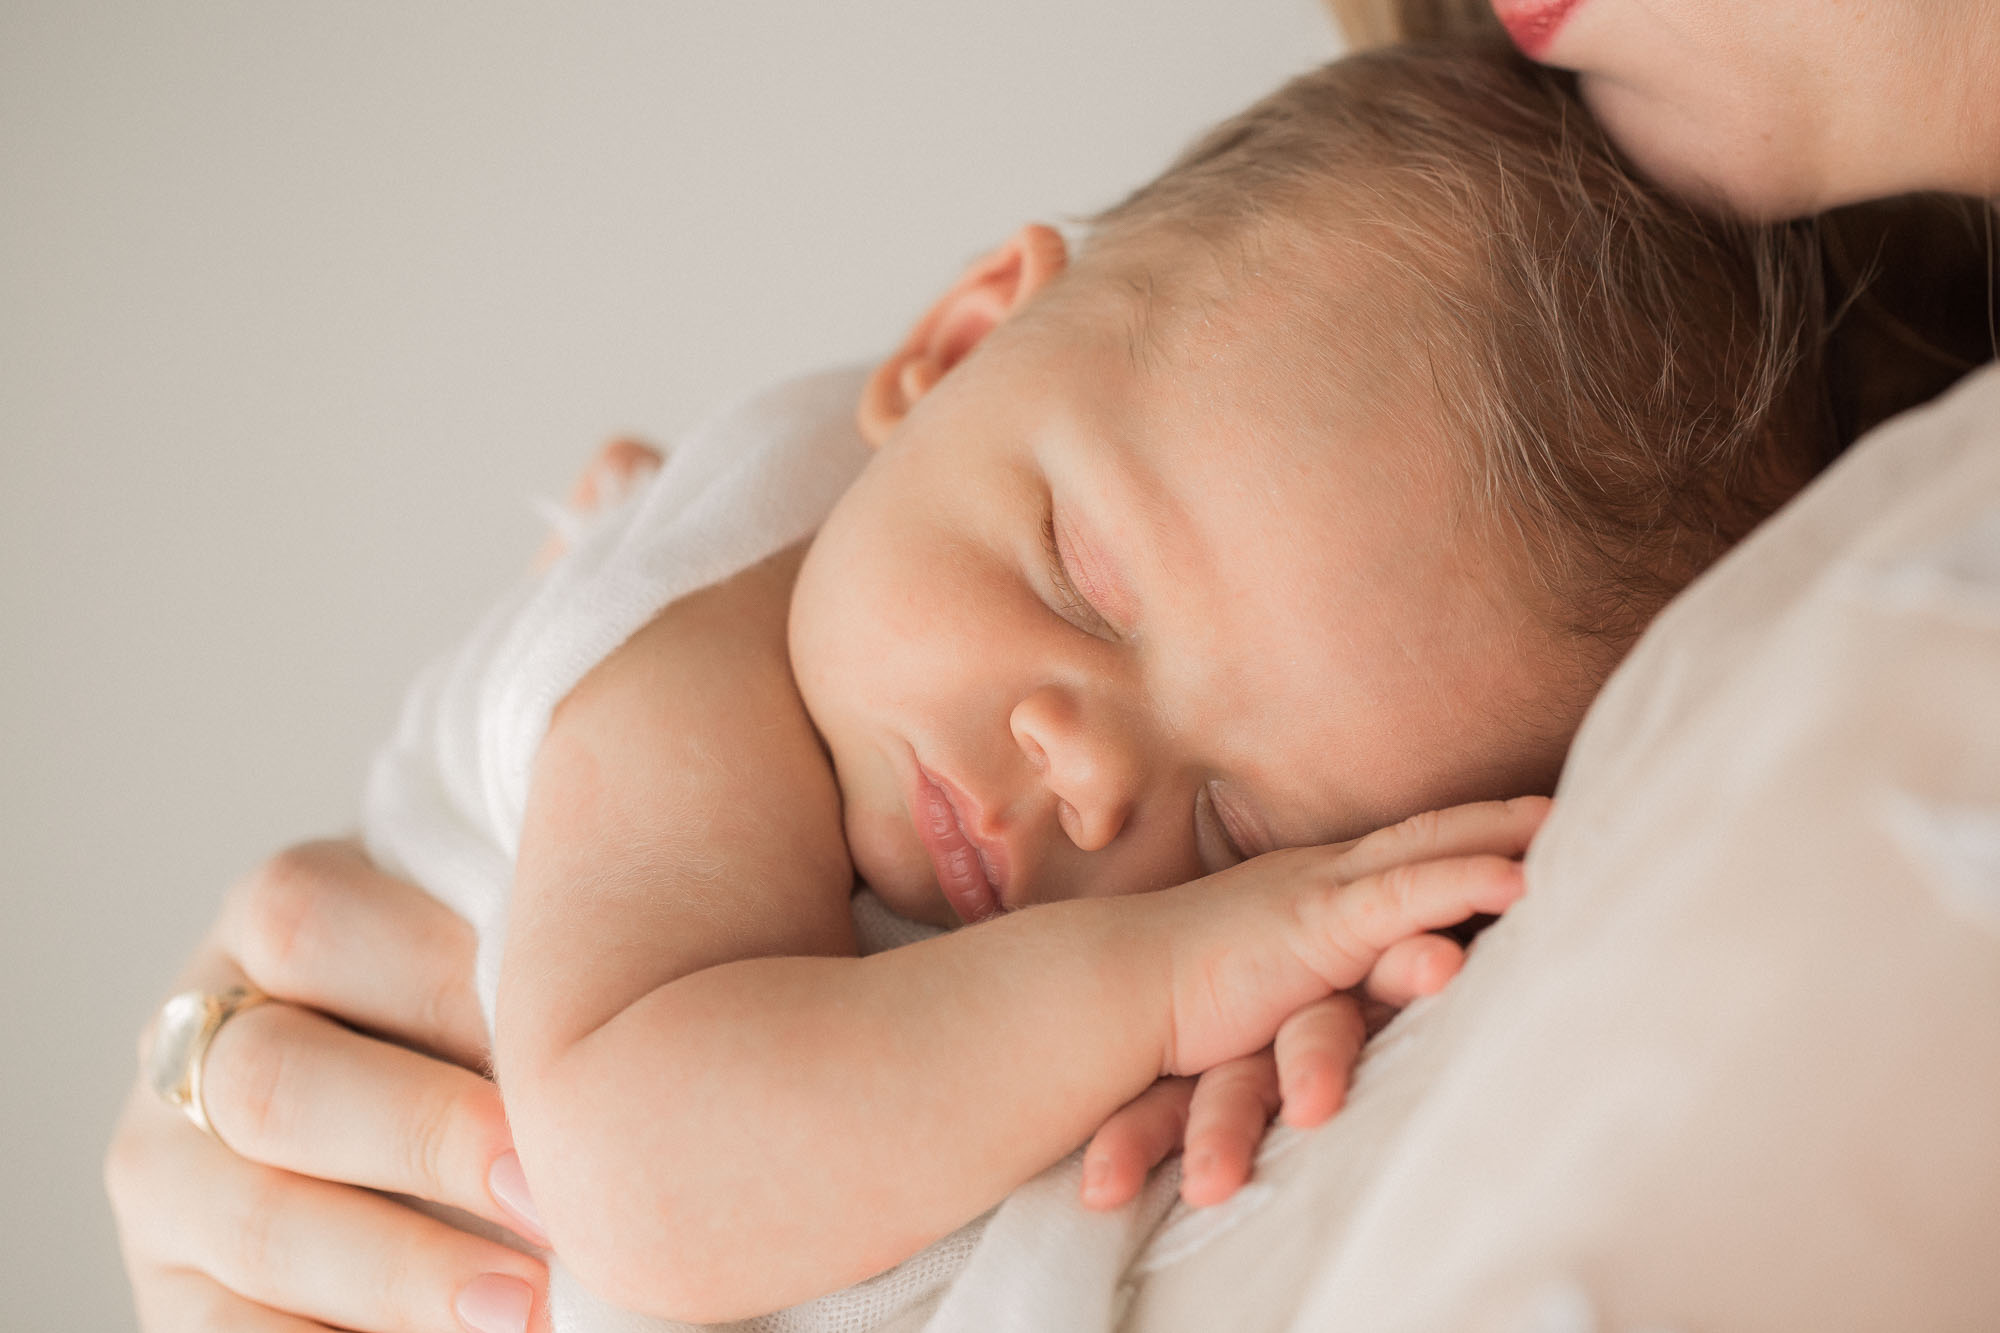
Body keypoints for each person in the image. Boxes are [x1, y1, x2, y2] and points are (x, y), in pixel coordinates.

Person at [100, 6, 1991, 1329]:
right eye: (1083, 584)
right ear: (952, 345)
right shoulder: (702, 677)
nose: (1092, 784)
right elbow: (630, 1176)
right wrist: (1183, 962)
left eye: (1244, 823)